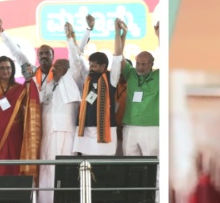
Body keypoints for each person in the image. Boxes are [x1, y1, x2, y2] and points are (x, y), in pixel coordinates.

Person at [0, 20, 42, 179]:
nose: (5, 70)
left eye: (8, 68)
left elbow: (30, 98)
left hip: (15, 133)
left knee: (12, 164)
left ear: (13, 69)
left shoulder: (18, 89)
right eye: (1, 68)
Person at [65, 16, 122, 156]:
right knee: (86, 168)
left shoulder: (112, 78)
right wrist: (70, 39)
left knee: (105, 169)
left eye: (94, 66)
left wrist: (117, 33)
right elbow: (76, 59)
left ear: (103, 66)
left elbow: (117, 57)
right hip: (85, 129)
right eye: (90, 65)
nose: (90, 68)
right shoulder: (87, 77)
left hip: (106, 129)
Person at [37, 58, 79, 203]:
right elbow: (38, 99)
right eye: (54, 66)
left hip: (67, 131)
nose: (54, 69)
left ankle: (66, 202)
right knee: (47, 168)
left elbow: (76, 59)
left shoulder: (71, 81)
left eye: (59, 66)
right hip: (49, 132)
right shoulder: (48, 85)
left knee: (66, 168)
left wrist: (71, 39)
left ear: (67, 70)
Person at [114, 21, 159, 157]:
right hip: (130, 127)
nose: (140, 67)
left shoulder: (159, 77)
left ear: (152, 64)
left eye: (144, 64)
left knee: (154, 167)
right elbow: (118, 56)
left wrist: (159, 36)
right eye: (138, 63)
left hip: (152, 128)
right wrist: (120, 33)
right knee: (130, 166)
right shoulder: (131, 74)